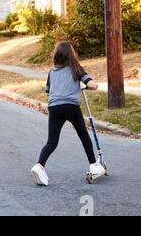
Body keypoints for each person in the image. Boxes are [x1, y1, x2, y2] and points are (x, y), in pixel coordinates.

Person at [30, 41, 105, 186]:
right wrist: (94, 86)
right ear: (71, 54)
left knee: (51, 142)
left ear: (56, 55)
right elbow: (89, 83)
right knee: (83, 136)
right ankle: (94, 165)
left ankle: (39, 166)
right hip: (71, 106)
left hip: (54, 108)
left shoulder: (52, 72)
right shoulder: (75, 68)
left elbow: (48, 91)